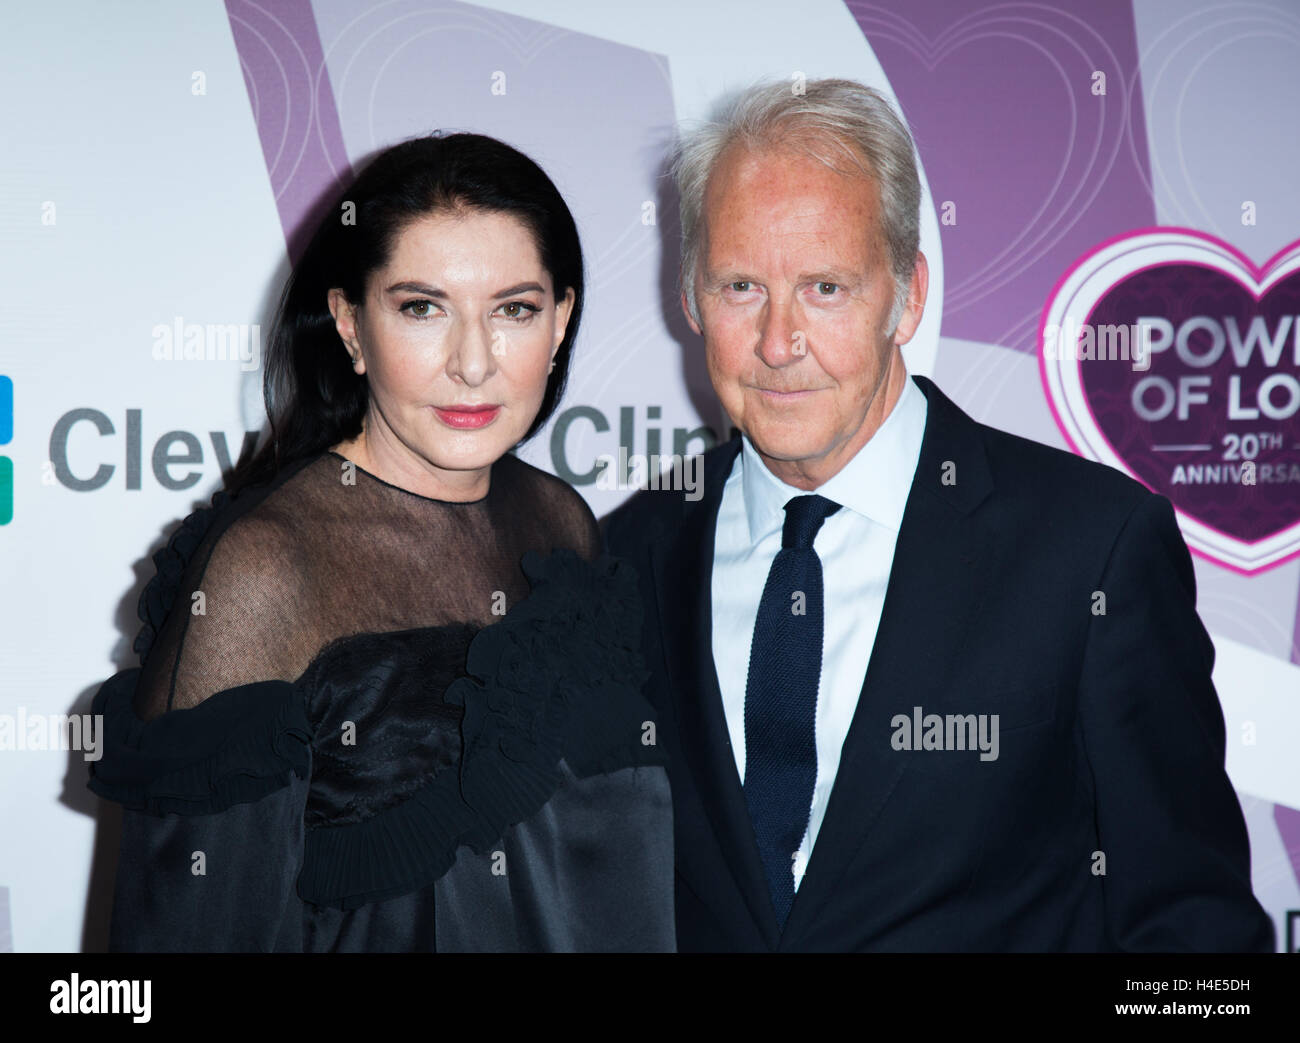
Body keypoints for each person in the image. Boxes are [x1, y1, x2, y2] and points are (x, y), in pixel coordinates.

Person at [602, 78, 1275, 952]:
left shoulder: (1089, 552)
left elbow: (1196, 937)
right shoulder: (628, 551)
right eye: (739, 286)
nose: (778, 341)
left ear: (907, 296)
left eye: (826, 288)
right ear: (691, 300)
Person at [87, 132, 674, 952]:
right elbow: (193, 931)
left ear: (561, 319)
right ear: (350, 327)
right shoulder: (265, 566)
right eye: (421, 308)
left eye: (515, 309)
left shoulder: (561, 522)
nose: (474, 363)